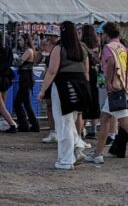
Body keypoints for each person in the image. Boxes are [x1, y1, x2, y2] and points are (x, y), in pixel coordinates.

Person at [37, 21, 91, 170]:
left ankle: (66, 160)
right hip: (80, 86)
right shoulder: (82, 48)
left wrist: (42, 90)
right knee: (70, 121)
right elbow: (86, 71)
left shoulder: (59, 49)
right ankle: (77, 146)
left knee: (63, 123)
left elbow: (52, 71)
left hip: (63, 87)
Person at [85, 22, 128, 164]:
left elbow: (110, 63)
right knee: (105, 120)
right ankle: (97, 153)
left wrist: (109, 82)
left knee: (122, 123)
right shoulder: (122, 46)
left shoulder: (108, 48)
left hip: (114, 89)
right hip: (121, 86)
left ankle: (98, 154)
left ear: (106, 33)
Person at [13, 34, 40, 132]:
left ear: (25, 40)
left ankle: (26, 124)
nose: (19, 42)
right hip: (25, 79)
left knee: (18, 103)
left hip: (26, 80)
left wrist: (16, 58)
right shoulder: (29, 51)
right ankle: (31, 124)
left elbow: (19, 62)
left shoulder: (29, 51)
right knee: (25, 103)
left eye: (20, 40)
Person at [80, 24, 101, 138]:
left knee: (85, 101)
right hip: (94, 73)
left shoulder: (82, 45)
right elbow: (98, 59)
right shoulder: (97, 44)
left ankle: (82, 129)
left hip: (85, 74)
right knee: (94, 100)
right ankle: (93, 129)